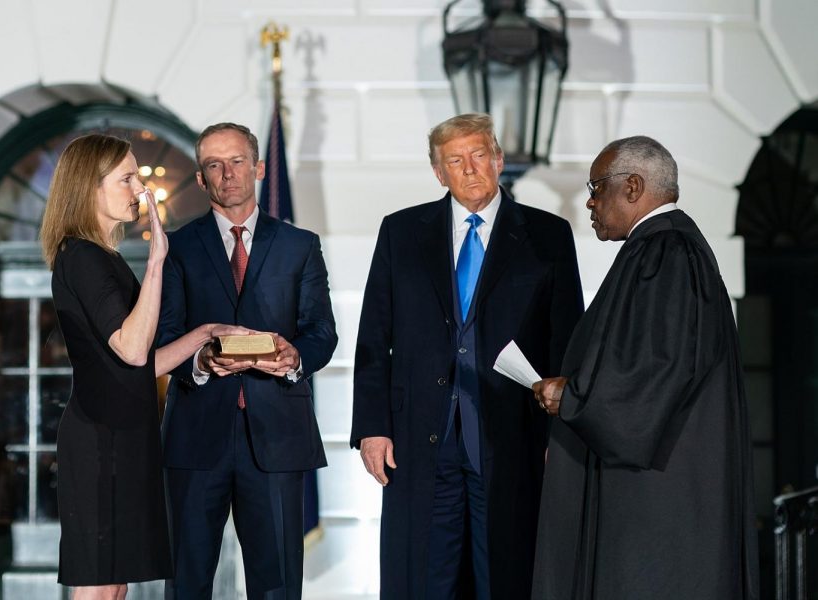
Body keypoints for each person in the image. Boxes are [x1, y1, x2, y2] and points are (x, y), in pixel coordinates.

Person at [351, 113, 584, 599]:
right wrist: (372, 427)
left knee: (505, 575)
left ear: (498, 160)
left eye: (479, 155)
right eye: (455, 160)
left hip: (511, 438)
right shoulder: (400, 233)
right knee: (426, 578)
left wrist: (559, 436)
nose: (470, 168)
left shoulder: (547, 235)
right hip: (419, 441)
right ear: (439, 173)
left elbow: (567, 340)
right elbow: (374, 337)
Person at [531, 136, 759, 600]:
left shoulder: (667, 252)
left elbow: (655, 372)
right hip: (663, 486)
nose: (590, 202)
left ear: (633, 186)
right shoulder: (663, 250)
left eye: (597, 187)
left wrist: (573, 398)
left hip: (658, 498)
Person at [40, 134, 246, 599]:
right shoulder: (83, 256)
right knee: (100, 585)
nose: (140, 189)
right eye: (127, 178)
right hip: (100, 441)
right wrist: (156, 261)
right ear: (89, 187)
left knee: (115, 585)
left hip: (124, 436)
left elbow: (141, 364)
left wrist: (205, 334)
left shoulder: (101, 257)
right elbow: (132, 351)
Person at [157, 122, 337, 599]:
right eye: (214, 164)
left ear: (258, 168)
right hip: (196, 439)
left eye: (237, 161)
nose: (227, 174)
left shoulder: (300, 244)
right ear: (201, 179)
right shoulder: (176, 248)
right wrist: (201, 363)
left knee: (276, 586)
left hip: (277, 436)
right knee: (188, 583)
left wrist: (295, 356)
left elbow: (322, 332)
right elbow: (165, 336)